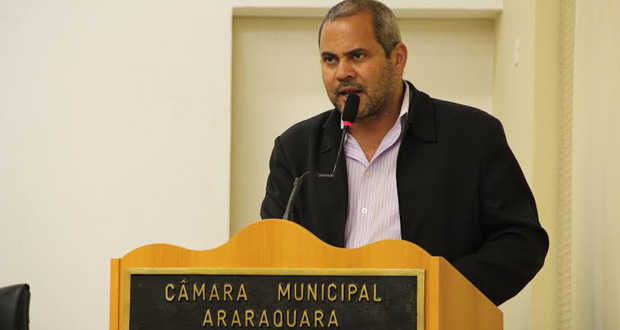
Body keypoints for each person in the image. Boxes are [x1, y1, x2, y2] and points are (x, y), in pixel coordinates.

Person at [260, 0, 548, 306]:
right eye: (330, 60)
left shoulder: (473, 136)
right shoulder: (295, 149)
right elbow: (271, 254)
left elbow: (521, 241)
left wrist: (436, 290)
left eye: (357, 56)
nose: (342, 72)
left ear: (397, 58)